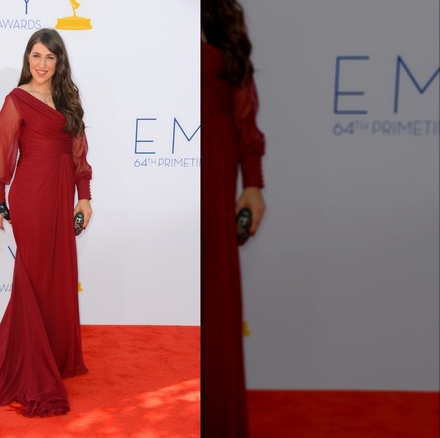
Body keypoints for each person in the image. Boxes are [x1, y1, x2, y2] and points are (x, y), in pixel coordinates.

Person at [0, 28, 93, 417]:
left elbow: (79, 152)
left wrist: (85, 196)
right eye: (36, 56)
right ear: (27, 58)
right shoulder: (16, 99)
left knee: (56, 274)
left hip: (61, 196)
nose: (42, 65)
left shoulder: (67, 99)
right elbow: (3, 153)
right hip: (31, 196)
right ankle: (32, 364)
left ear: (59, 63)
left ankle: (54, 357)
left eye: (50, 58)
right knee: (34, 277)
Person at [201, 0, 266, 436]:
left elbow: (245, 116)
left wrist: (253, 185)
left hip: (216, 170)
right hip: (164, 172)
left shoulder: (222, 19)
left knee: (214, 293)